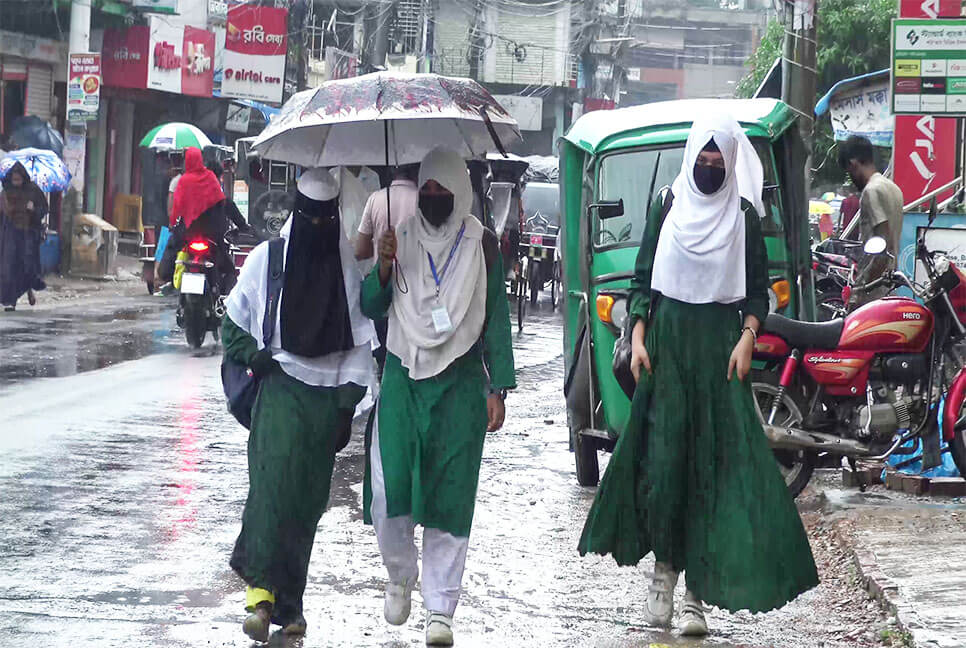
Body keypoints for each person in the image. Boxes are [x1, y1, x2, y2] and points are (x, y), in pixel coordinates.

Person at [578, 114, 818, 637]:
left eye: (718, 161)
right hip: (666, 351)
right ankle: (664, 569)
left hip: (719, 354)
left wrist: (748, 337)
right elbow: (644, 281)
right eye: (702, 159)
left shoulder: (743, 216)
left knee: (711, 470)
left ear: (729, 163)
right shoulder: (667, 204)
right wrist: (637, 337)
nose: (709, 168)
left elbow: (757, 292)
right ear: (691, 158)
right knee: (665, 465)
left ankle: (697, 594)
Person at [360, 147, 515, 646]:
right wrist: (383, 267)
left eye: (441, 190)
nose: (431, 198)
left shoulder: (481, 245)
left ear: (459, 191)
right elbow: (371, 306)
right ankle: (400, 575)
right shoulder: (399, 238)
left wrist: (498, 388)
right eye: (425, 189)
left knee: (451, 494)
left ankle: (440, 609)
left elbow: (494, 317)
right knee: (392, 488)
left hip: (460, 384)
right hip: (404, 375)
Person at [223, 168, 377, 641]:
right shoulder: (267, 262)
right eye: (309, 215)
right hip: (280, 392)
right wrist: (258, 356)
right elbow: (233, 325)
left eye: (324, 218)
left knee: (306, 508)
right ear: (297, 212)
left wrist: (345, 406)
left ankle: (291, 606)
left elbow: (360, 349)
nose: (316, 227)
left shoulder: (348, 273)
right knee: (270, 494)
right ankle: (259, 597)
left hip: (324, 406)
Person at [160, 147, 237, 293]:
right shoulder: (210, 177)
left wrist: (172, 223)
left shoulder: (184, 181)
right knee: (227, 265)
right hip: (211, 233)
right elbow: (222, 202)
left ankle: (168, 279)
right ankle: (224, 293)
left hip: (187, 232)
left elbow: (176, 207)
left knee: (172, 248)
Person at [837, 135, 903, 299]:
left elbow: (882, 247)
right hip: (890, 285)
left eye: (849, 172)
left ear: (853, 164)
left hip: (874, 289)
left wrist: (860, 289)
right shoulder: (893, 188)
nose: (851, 179)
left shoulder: (871, 191)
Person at [0, 162, 48, 311]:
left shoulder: (33, 190)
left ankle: (28, 289)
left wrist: (34, 209)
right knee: (9, 268)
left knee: (27, 267)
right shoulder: (6, 192)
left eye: (18, 180)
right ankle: (10, 301)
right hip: (10, 235)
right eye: (14, 180)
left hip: (28, 235)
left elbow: (44, 209)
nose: (16, 183)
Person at [355, 164, 419, 262]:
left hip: (383, 274)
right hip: (417, 273)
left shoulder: (374, 198)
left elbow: (360, 251)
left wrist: (380, 246)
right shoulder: (422, 200)